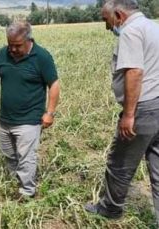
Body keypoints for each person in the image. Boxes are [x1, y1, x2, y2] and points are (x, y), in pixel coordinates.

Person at [85, 0, 159, 223]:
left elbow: (134, 72)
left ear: (118, 14)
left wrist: (129, 115)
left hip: (143, 109)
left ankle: (110, 209)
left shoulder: (131, 31)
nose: (108, 27)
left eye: (106, 21)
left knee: (120, 164)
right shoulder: (153, 27)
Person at [0, 21, 60, 199]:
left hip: (29, 119)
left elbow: (53, 85)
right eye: (10, 45)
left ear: (28, 40)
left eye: (17, 46)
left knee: (26, 157)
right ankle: (14, 182)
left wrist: (50, 112)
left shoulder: (42, 57)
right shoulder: (3, 54)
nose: (13, 50)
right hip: (5, 119)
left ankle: (27, 192)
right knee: (8, 154)